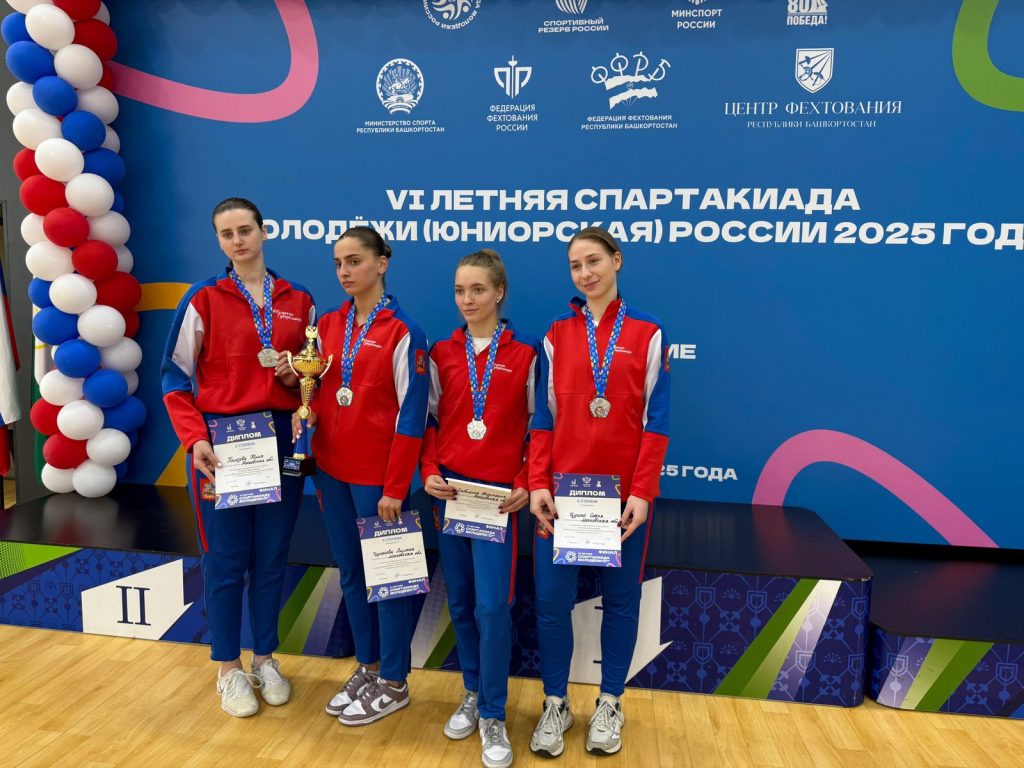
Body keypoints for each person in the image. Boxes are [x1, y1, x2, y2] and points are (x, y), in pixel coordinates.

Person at [161, 197, 314, 717]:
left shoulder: (299, 299)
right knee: (225, 561)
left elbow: (310, 378)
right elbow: (174, 379)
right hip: (220, 447)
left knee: (271, 557)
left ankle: (265, 658)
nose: (237, 240)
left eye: (245, 230)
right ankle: (228, 668)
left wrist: (295, 388)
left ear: (264, 231)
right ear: (218, 241)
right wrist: (194, 439)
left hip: (280, 443)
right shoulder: (203, 298)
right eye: (226, 234)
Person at [527, 227, 671, 757]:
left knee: (622, 601)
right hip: (562, 496)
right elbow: (542, 419)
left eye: (594, 261)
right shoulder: (556, 333)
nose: (585, 273)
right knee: (551, 602)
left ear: (617, 261)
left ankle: (610, 701)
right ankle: (555, 702)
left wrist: (642, 491)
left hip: (622, 499)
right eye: (575, 265)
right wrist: (537, 483)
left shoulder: (648, 332)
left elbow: (657, 421)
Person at [293, 226, 429, 726]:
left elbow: (411, 418)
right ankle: (368, 666)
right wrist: (305, 414)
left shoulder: (404, 332)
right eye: (338, 263)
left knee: (388, 579)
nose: (345, 271)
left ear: (382, 263)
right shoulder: (326, 326)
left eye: (354, 261)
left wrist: (396, 486)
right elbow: (319, 391)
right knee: (352, 574)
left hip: (378, 481)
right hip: (332, 473)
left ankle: (394, 680)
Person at [420, 250, 537, 768]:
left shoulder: (527, 354)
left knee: (493, 607)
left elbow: (539, 428)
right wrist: (429, 470)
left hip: (498, 501)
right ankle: (472, 691)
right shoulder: (441, 352)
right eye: (459, 291)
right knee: (463, 603)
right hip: (451, 497)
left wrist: (526, 480)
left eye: (478, 290)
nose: (467, 300)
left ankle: (493, 713)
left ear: (499, 292)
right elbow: (427, 421)